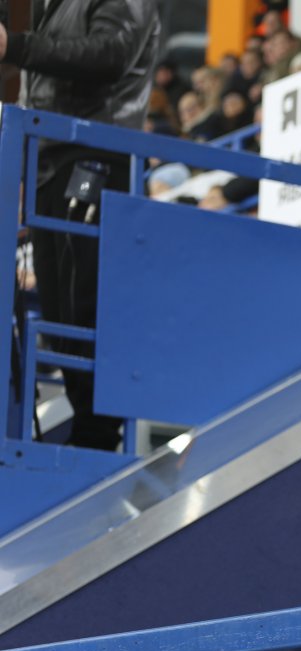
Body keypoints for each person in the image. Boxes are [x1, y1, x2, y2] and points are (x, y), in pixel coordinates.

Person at [0, 0, 160, 449]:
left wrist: (17, 46)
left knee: (83, 302)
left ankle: (98, 434)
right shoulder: (50, 6)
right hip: (50, 163)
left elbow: (109, 54)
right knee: (57, 310)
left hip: (95, 154)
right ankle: (89, 429)